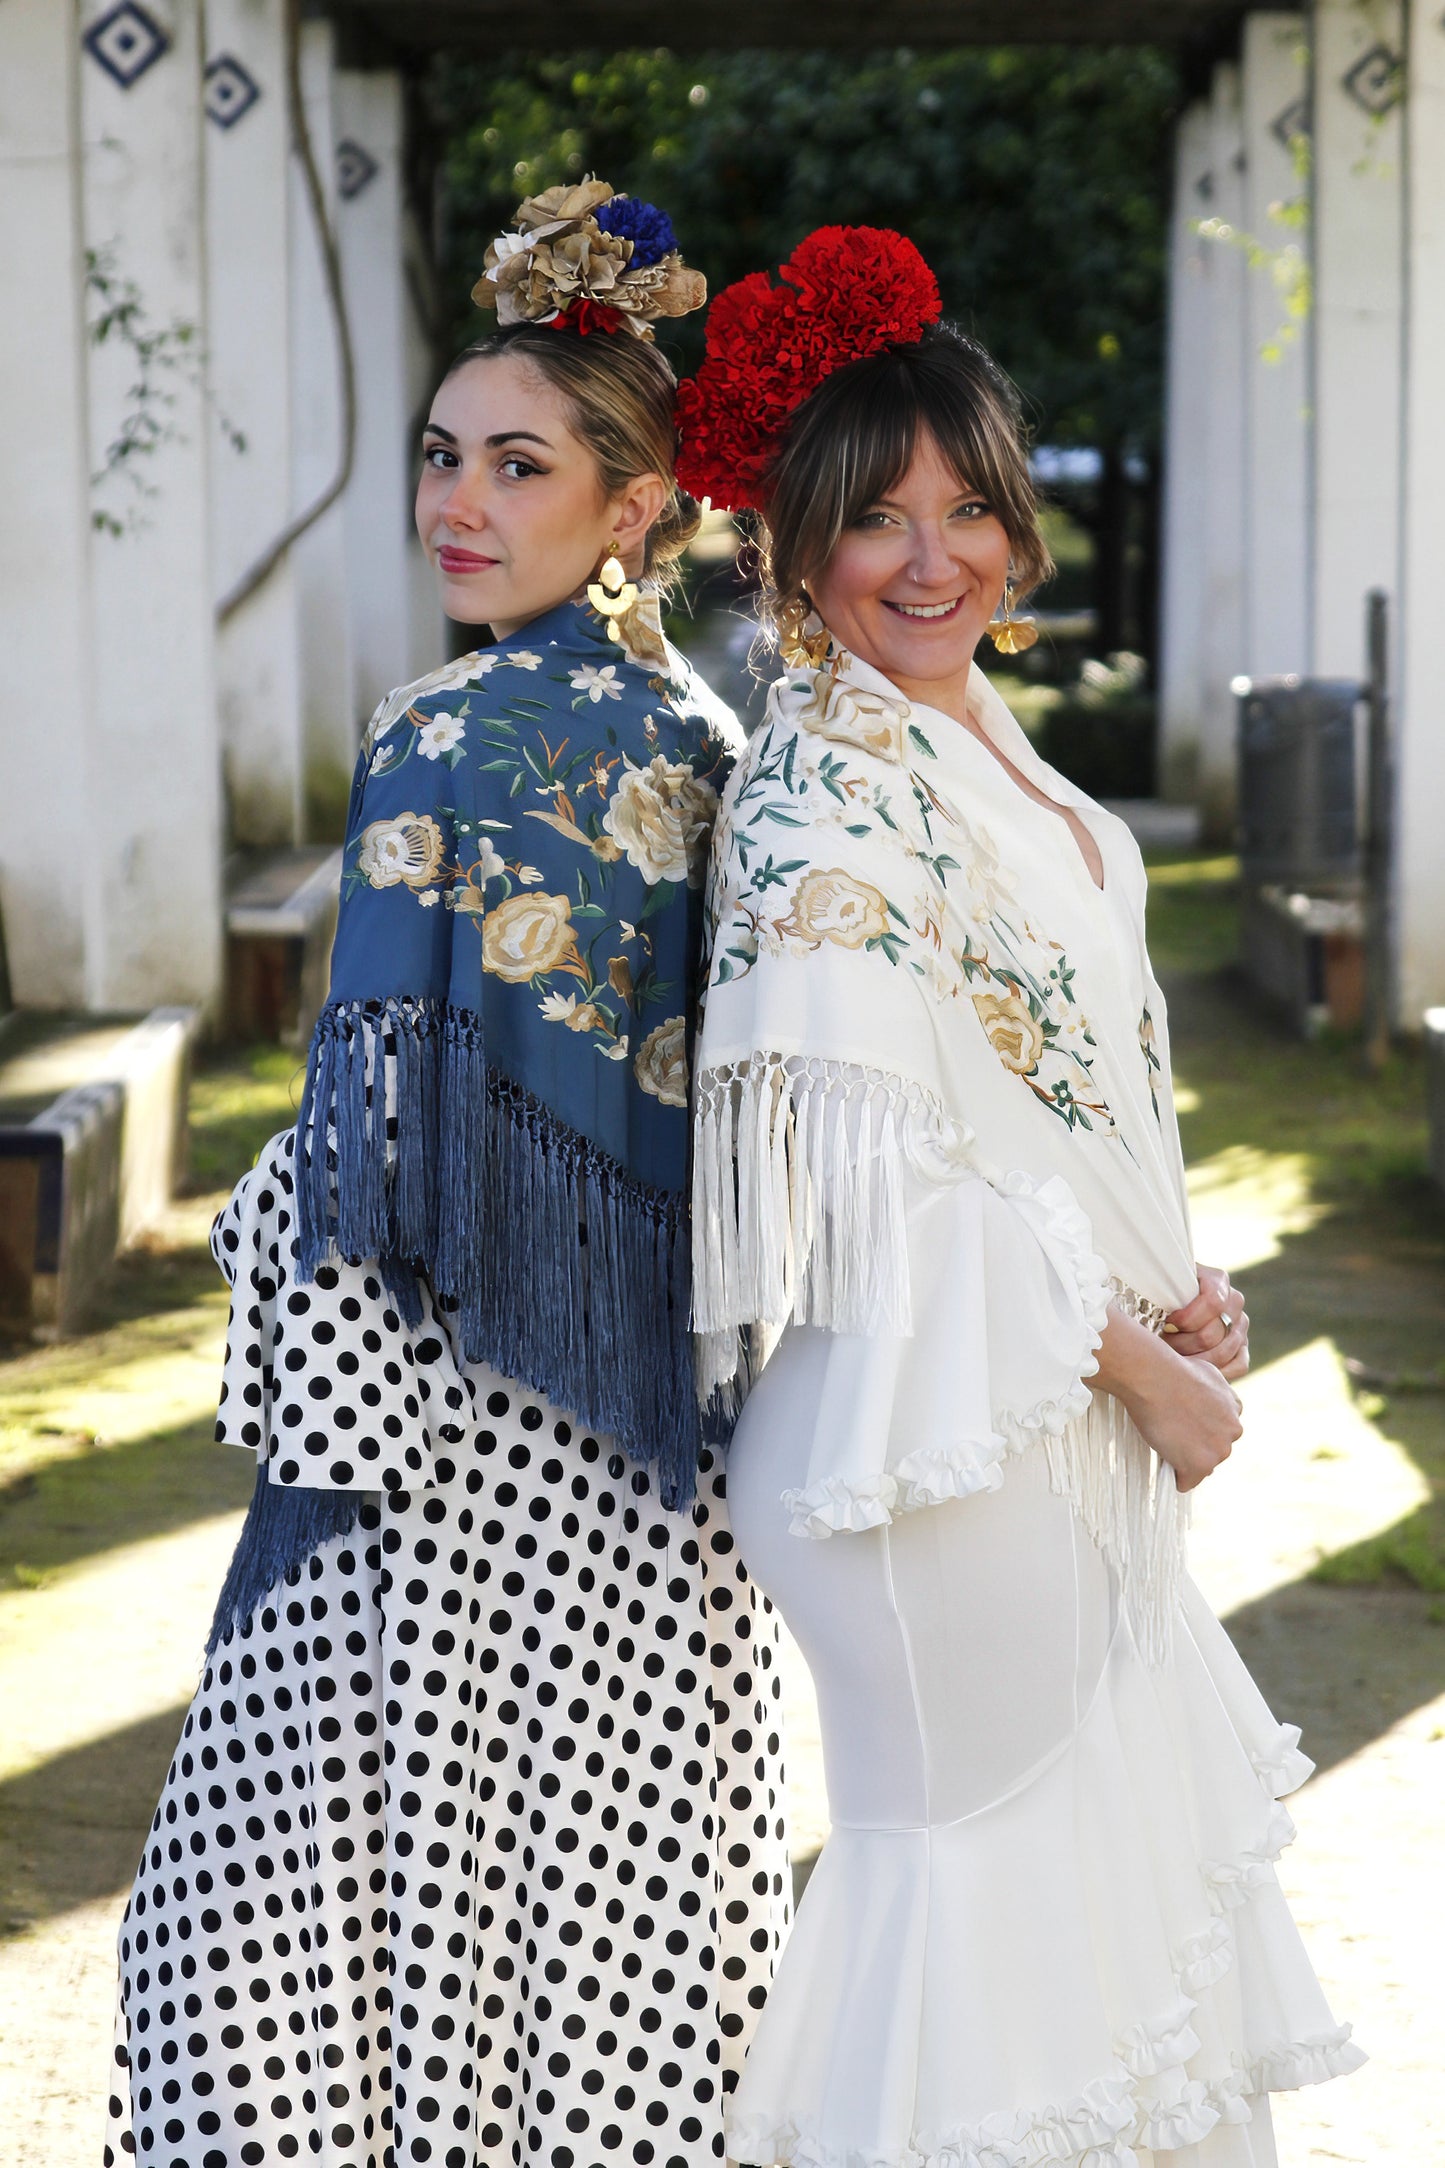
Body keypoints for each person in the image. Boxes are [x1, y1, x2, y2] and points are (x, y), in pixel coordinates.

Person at [104, 181, 789, 2168]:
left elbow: (368, 1156)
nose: (456, 500)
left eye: (520, 463)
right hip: (662, 1466)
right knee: (610, 1932)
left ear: (639, 503)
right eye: (441, 455)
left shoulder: (436, 734)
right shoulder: (717, 738)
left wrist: (302, 1505)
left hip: (433, 1446)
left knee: (298, 1938)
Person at [677, 226, 1362, 2168]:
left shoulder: (967, 731)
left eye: (968, 505)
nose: (931, 556)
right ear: (792, 542)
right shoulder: (821, 775)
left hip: (1044, 1392)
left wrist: (1178, 1287)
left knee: (1094, 1942)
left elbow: (1051, 1071)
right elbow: (876, 1169)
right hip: (926, 1439)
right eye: (875, 516)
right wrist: (1137, 1365)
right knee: (986, 1932)